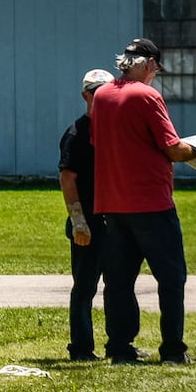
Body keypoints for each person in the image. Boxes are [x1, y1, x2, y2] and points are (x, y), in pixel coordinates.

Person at [91, 37, 196, 364]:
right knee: (171, 278)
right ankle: (172, 351)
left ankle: (120, 349)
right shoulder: (148, 95)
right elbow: (172, 148)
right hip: (151, 203)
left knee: (119, 282)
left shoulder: (102, 96)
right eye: (156, 70)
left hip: (112, 201)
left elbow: (100, 141)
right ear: (150, 64)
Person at [59, 68, 114, 360]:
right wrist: (78, 219)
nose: (101, 97)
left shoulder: (115, 130)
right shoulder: (76, 133)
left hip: (115, 218)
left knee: (117, 284)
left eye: (106, 92)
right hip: (88, 220)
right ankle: (81, 348)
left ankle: (118, 345)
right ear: (85, 96)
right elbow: (68, 178)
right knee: (85, 286)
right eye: (95, 93)